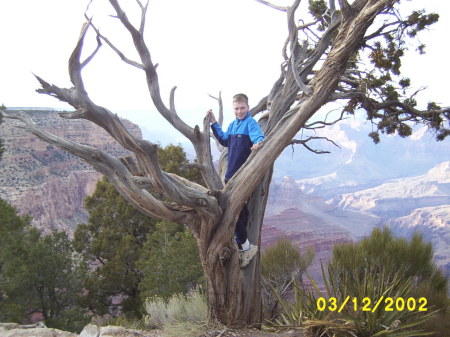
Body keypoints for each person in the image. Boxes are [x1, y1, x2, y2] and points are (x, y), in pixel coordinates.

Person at [206, 93, 264, 262]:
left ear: (247, 107)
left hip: (243, 177)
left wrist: (258, 143)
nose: (239, 111)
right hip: (230, 176)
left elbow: (258, 136)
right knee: (239, 211)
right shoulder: (233, 125)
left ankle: (244, 246)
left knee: (236, 211)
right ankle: (241, 243)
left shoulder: (251, 123)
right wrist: (214, 123)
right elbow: (224, 140)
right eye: (236, 109)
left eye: (242, 108)